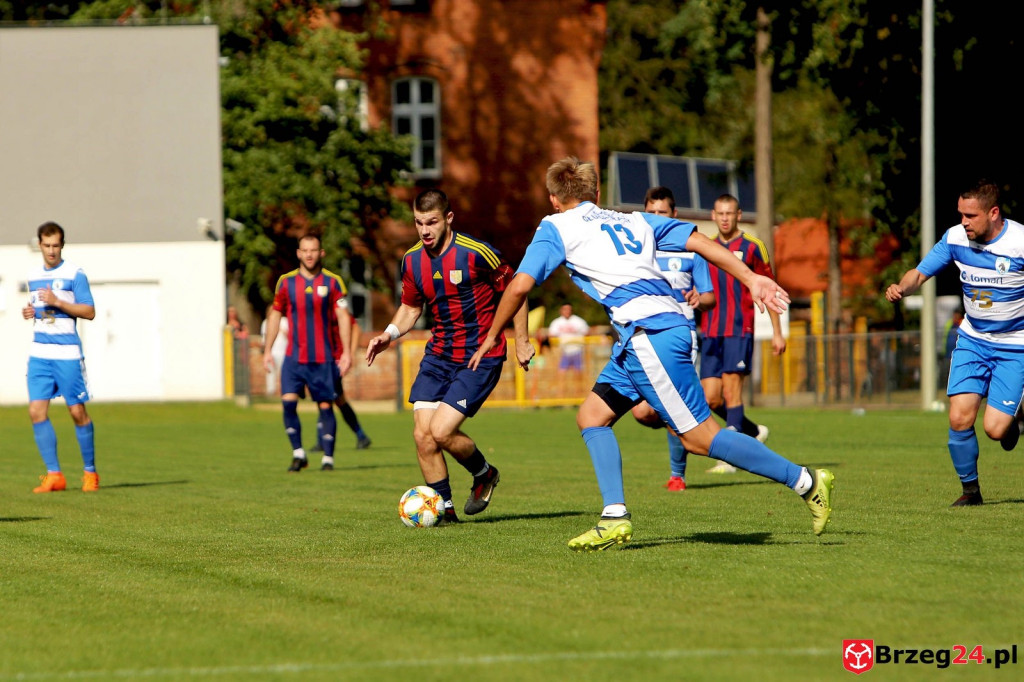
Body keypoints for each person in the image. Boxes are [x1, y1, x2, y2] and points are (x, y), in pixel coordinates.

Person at [469, 157, 834, 551]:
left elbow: (520, 286)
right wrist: (750, 277)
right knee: (592, 416)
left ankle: (806, 481)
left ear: (553, 199)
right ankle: (614, 517)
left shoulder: (554, 226)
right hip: (647, 335)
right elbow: (699, 240)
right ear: (595, 193)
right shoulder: (631, 220)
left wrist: (493, 335)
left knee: (699, 438)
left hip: (651, 336)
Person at [366, 189, 533, 524]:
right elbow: (411, 308)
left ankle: (484, 474)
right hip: (439, 356)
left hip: (479, 356)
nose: (425, 230)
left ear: (448, 219)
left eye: (431, 222)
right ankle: (444, 513)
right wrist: (389, 334)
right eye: (418, 223)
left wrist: (522, 340)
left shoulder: (476, 253)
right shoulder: (412, 260)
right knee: (422, 436)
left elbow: (517, 289)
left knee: (441, 431)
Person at [886, 179, 1024, 507]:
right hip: (973, 340)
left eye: (971, 215)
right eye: (961, 214)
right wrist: (901, 288)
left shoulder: (1019, 242)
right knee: (959, 417)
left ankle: (1010, 423)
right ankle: (971, 492)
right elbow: (919, 274)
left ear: (993, 213)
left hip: (1014, 346)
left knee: (993, 429)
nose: (964, 221)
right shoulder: (954, 238)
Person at [630, 186, 715, 492]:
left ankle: (677, 473)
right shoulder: (634, 249)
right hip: (642, 336)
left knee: (669, 404)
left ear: (674, 215)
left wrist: (699, 298)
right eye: (650, 213)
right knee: (642, 411)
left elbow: (709, 297)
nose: (655, 218)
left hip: (681, 335)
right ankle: (685, 426)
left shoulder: (690, 249)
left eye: (661, 213)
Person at [699, 193, 785, 474]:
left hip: (739, 328)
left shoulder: (753, 247)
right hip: (710, 331)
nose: (724, 218)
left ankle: (730, 458)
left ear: (738, 215)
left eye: (730, 213)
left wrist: (777, 332)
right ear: (713, 215)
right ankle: (751, 430)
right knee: (711, 398)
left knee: (732, 391)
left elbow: (768, 287)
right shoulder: (705, 247)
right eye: (720, 213)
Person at [263, 233, 352, 472]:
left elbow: (344, 317)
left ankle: (328, 458)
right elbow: (275, 315)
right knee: (288, 403)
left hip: (323, 358)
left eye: (314, 250)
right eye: (305, 250)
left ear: (321, 253)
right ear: (298, 253)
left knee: (325, 406)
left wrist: (346, 353)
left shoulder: (333, 282)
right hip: (294, 357)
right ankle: (298, 453)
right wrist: (267, 350)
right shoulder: (286, 282)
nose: (309, 254)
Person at [21, 221, 99, 493]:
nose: (51, 250)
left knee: (77, 412)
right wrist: (31, 313)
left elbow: (89, 312)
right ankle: (54, 474)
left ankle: (90, 472)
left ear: (62, 245)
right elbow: (44, 313)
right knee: (36, 411)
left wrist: (58, 302)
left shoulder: (75, 273)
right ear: (39, 245)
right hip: (40, 353)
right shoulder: (32, 275)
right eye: (46, 245)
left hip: (67, 354)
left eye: (56, 245)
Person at [311, 313, 371, 458]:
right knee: (338, 399)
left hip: (335, 362)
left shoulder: (336, 308)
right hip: (322, 361)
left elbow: (356, 328)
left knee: (326, 398)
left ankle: (323, 441)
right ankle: (361, 436)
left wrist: (350, 353)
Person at [547, 303, 590, 371]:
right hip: (562, 351)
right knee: (561, 372)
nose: (567, 311)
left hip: (577, 350)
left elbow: (587, 333)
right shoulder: (556, 322)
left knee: (578, 372)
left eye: (569, 309)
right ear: (561, 311)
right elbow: (551, 335)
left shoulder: (579, 321)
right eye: (565, 309)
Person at [261, 305, 288, 396]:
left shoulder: (284, 321)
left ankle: (284, 391)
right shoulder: (265, 323)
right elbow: (264, 338)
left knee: (283, 373)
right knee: (270, 372)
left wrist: (280, 329)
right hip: (272, 352)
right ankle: (270, 392)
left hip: (283, 351)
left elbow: (290, 336)